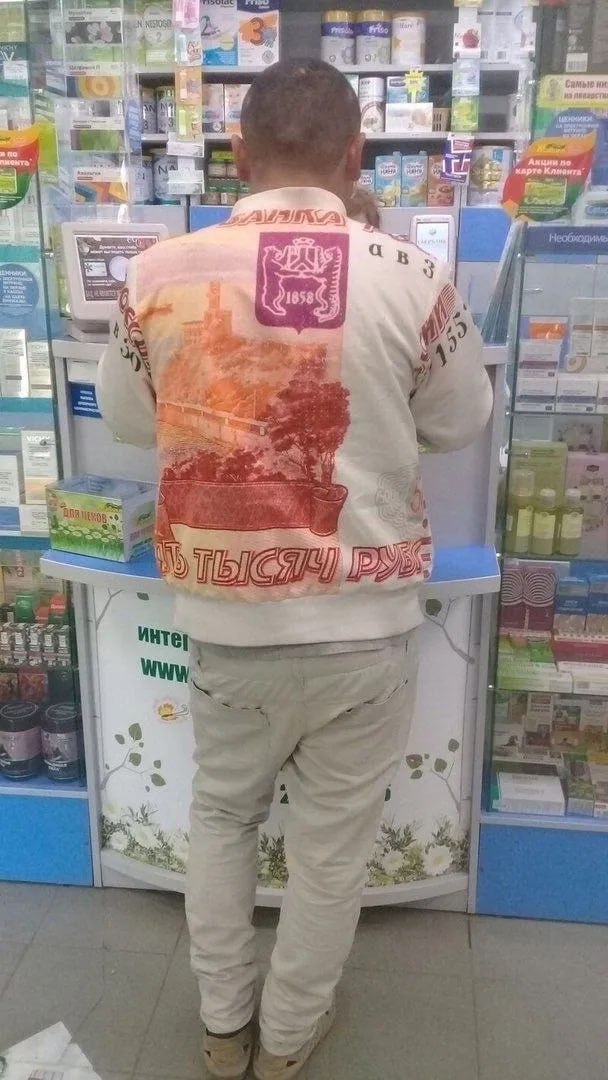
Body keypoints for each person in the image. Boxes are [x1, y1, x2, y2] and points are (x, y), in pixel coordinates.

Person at [97, 59, 493, 1080]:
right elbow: (461, 419)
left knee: (221, 819)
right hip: (365, 625)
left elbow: (132, 420)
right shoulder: (409, 273)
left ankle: (222, 1026)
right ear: (356, 154)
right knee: (330, 850)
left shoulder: (156, 274)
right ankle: (286, 1039)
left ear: (238, 154)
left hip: (226, 624)